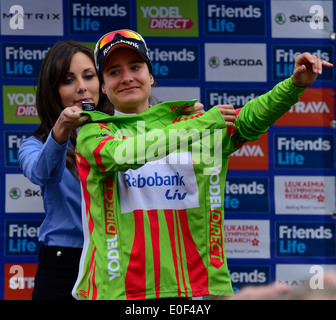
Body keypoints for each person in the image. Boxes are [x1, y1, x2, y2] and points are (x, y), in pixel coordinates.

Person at [72, 29, 333, 300]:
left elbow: (248, 119)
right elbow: (124, 154)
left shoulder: (191, 124)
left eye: (135, 67)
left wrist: (294, 85)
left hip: (188, 293)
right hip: (116, 293)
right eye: (114, 72)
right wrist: (202, 123)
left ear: (150, 75)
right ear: (102, 86)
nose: (126, 77)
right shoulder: (94, 132)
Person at [18, 40, 208, 300]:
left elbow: (154, 137)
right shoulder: (35, 144)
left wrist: (190, 120)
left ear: (103, 85)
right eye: (68, 80)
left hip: (118, 258)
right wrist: (60, 134)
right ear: (53, 91)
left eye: (89, 76)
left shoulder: (125, 131)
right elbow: (43, 174)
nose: (82, 87)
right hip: (64, 262)